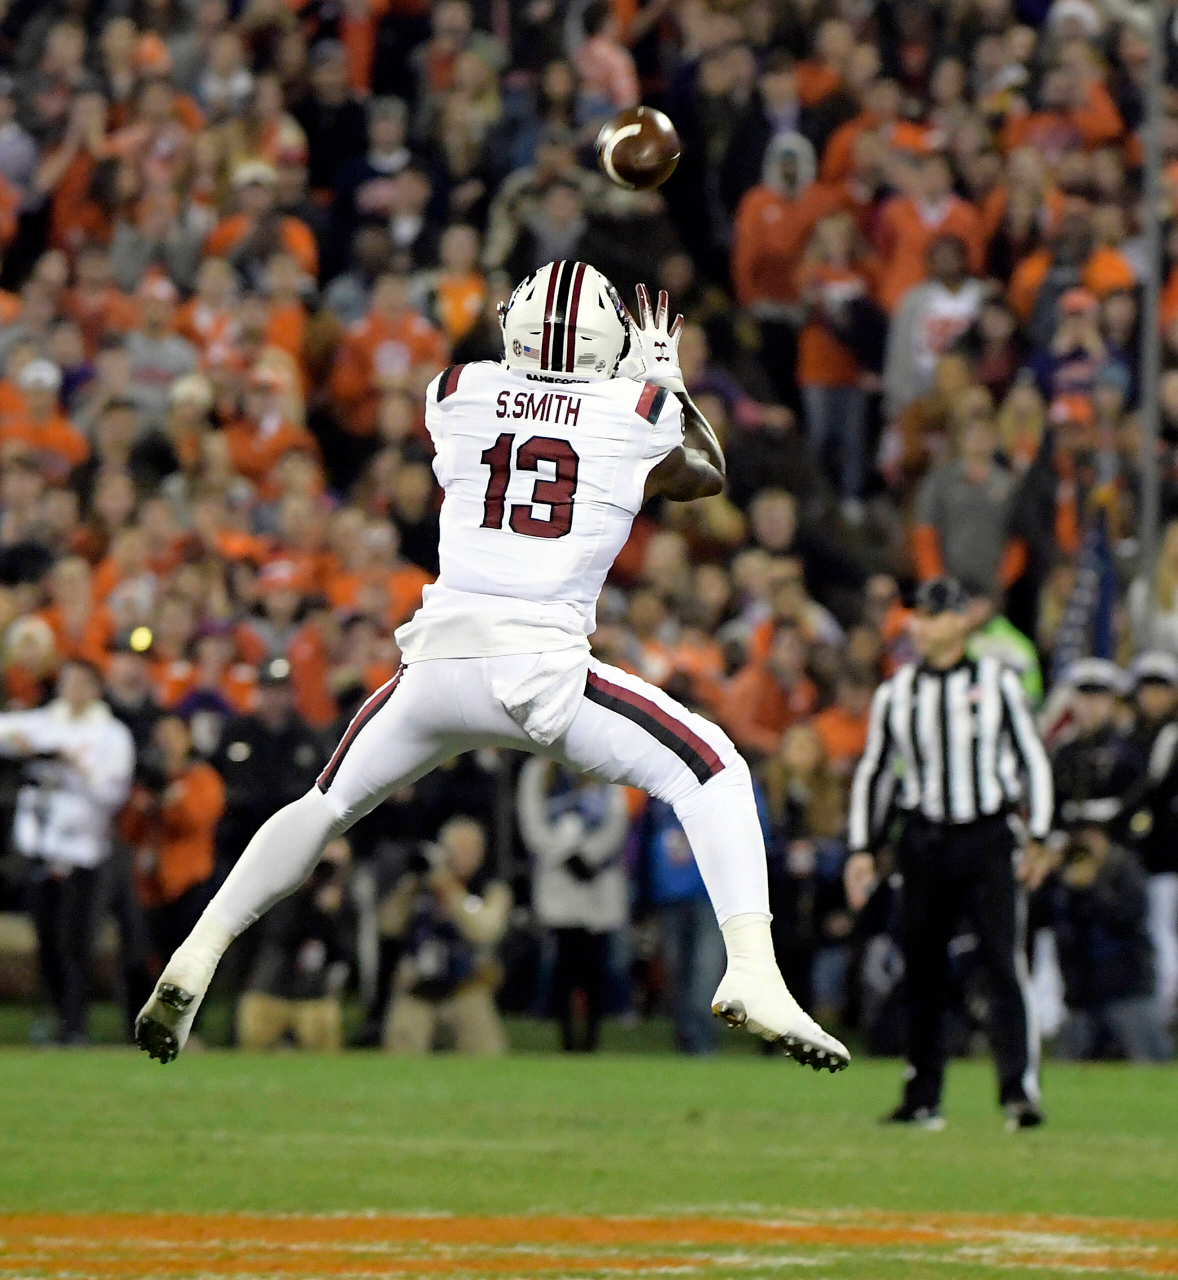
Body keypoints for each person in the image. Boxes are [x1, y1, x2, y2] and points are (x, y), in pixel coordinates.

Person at [136, 262, 850, 1072]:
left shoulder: (456, 389)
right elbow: (703, 474)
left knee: (324, 805)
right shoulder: (637, 408)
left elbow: (522, 405)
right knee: (713, 766)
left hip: (434, 663)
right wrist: (664, 381)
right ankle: (755, 971)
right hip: (538, 669)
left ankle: (202, 947)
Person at [847, 576, 1053, 1130]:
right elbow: (876, 772)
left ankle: (1018, 1090)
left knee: (1002, 963)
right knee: (922, 970)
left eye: (933, 615)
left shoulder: (998, 682)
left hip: (987, 838)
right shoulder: (898, 691)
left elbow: (1032, 757)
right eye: (916, 614)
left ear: (960, 620)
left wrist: (1041, 836)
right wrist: (863, 847)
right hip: (924, 841)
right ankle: (923, 1094)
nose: (920, 624)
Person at [0, 661, 135, 1044]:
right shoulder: (44, 722)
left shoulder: (111, 734)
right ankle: (58, 1016)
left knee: (75, 941)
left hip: (84, 852)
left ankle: (75, 1024)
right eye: (67, 681)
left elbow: (113, 794)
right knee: (45, 939)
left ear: (94, 688)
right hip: (40, 846)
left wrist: (73, 768)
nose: (73, 689)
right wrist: (26, 748)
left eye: (81, 683)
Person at [517, 757, 629, 1052]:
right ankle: (566, 1042)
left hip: (598, 882)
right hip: (558, 882)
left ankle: (591, 1041)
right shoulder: (538, 771)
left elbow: (618, 818)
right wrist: (566, 855)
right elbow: (532, 824)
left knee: (595, 969)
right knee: (563, 966)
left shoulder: (604, 763)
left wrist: (589, 857)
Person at [380, 817, 510, 1054]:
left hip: (466, 988)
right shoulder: (419, 886)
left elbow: (485, 931)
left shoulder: (489, 889)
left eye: (470, 850)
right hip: (417, 989)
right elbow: (388, 926)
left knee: (488, 1055)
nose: (462, 856)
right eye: (456, 850)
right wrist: (410, 887)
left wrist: (451, 892)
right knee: (399, 1052)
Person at [236, 839, 353, 1051]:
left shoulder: (347, 900)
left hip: (315, 993)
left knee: (327, 1060)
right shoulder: (283, 890)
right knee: (253, 1055)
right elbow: (278, 935)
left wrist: (331, 914)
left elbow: (345, 952)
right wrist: (308, 899)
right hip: (271, 988)